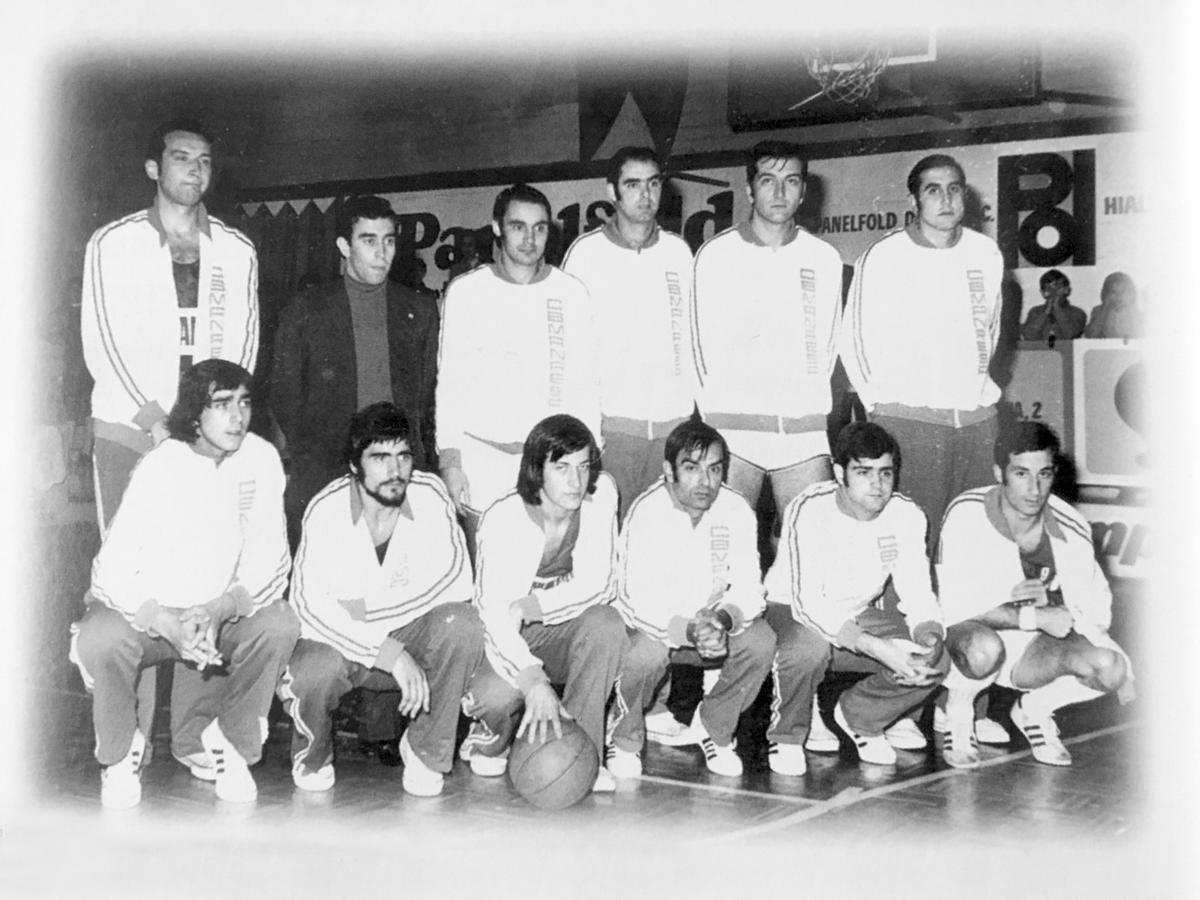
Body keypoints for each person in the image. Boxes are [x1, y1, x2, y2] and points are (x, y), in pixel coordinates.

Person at [69, 360, 297, 808]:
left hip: (217, 620)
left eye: (244, 403)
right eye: (222, 405)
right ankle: (117, 758)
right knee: (100, 636)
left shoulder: (262, 458)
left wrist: (220, 608)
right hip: (158, 622)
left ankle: (232, 744)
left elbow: (274, 562)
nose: (238, 417)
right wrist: (163, 619)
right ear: (195, 413)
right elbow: (110, 568)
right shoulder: (161, 464)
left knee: (279, 623)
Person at [280, 402, 506, 796]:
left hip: (401, 639)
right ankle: (313, 755)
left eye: (403, 456)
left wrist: (367, 615)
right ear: (354, 466)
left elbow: (456, 584)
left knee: (460, 623)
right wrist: (387, 652)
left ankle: (424, 751)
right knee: (311, 670)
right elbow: (309, 608)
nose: (395, 470)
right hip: (351, 650)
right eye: (380, 458)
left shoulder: (431, 492)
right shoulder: (325, 509)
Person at [81, 120, 260, 532]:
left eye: (204, 161)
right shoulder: (113, 242)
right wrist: (155, 422)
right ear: (153, 169)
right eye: (181, 159)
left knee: (200, 557)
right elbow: (103, 342)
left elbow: (245, 345)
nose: (195, 170)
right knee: (128, 569)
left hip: (205, 431)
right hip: (129, 428)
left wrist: (212, 419)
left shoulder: (237, 250)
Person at [936, 422, 1134, 769]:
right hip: (972, 641)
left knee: (1111, 669)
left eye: (1044, 474)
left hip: (1032, 651)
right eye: (1021, 474)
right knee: (983, 649)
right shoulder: (966, 513)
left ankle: (1035, 711)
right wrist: (1027, 614)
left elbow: (1095, 612)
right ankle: (958, 711)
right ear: (1000, 472)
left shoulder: (1071, 526)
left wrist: (1054, 603)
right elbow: (952, 609)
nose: (1034, 489)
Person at [763, 422, 949, 775]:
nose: (877, 485)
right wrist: (875, 647)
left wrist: (929, 634)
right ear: (839, 473)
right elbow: (809, 605)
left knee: (937, 657)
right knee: (809, 648)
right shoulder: (810, 508)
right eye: (863, 472)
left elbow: (918, 591)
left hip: (856, 613)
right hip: (790, 609)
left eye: (885, 473)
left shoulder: (907, 514)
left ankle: (858, 715)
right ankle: (787, 735)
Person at [841, 153, 1004, 549]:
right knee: (912, 543)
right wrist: (881, 409)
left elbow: (990, 330)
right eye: (933, 190)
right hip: (909, 425)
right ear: (914, 202)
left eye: (954, 190)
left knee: (973, 542)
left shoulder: (986, 253)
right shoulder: (884, 256)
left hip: (977, 424)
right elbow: (854, 340)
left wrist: (975, 392)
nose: (945, 199)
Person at [462, 415, 627, 792]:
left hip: (554, 628)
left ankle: (584, 752)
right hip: (503, 638)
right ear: (537, 470)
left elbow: (599, 584)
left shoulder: (602, 498)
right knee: (496, 697)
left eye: (584, 467)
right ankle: (487, 733)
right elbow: (495, 616)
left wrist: (533, 606)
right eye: (562, 467)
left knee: (605, 624)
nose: (576, 481)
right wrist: (534, 680)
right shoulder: (503, 518)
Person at [691, 140, 844, 540]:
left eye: (791, 181)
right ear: (748, 190)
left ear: (804, 191)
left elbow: (826, 348)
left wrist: (806, 406)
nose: (779, 193)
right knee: (723, 550)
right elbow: (699, 347)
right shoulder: (715, 255)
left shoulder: (823, 258)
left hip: (803, 434)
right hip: (733, 432)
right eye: (768, 181)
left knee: (812, 549)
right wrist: (719, 416)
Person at [608, 419, 775, 777]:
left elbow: (750, 587)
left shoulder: (736, 509)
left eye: (715, 469)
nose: (705, 481)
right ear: (668, 471)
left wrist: (723, 620)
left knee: (761, 641)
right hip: (656, 627)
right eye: (692, 468)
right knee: (645, 654)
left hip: (711, 626)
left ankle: (714, 728)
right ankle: (623, 736)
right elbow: (634, 597)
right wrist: (690, 630)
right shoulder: (646, 511)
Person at [271, 195, 439, 549]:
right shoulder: (305, 310)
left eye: (389, 240)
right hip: (327, 472)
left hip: (400, 474)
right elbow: (285, 396)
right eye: (369, 240)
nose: (382, 252)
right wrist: (316, 452)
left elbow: (426, 399)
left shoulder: (419, 310)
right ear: (344, 246)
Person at [562, 147, 698, 519]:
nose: (646, 195)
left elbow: (693, 342)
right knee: (607, 537)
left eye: (653, 184)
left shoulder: (680, 254)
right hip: (612, 431)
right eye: (633, 184)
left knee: (666, 539)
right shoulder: (585, 255)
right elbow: (570, 350)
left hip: (673, 428)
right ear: (612, 191)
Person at [1021, 269, 1086, 344]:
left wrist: (1057, 309)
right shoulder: (1035, 312)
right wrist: (1045, 313)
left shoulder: (1077, 313)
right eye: (1048, 289)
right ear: (1042, 293)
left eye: (1058, 288)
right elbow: (1028, 336)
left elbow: (1071, 335)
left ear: (1067, 290)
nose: (1053, 293)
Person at [1084, 271, 1143, 339]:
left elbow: (1143, 337)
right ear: (1106, 294)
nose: (1118, 296)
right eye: (1113, 292)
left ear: (1131, 294)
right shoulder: (1098, 311)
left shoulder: (1138, 315)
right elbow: (1090, 336)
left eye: (1123, 292)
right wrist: (1104, 310)